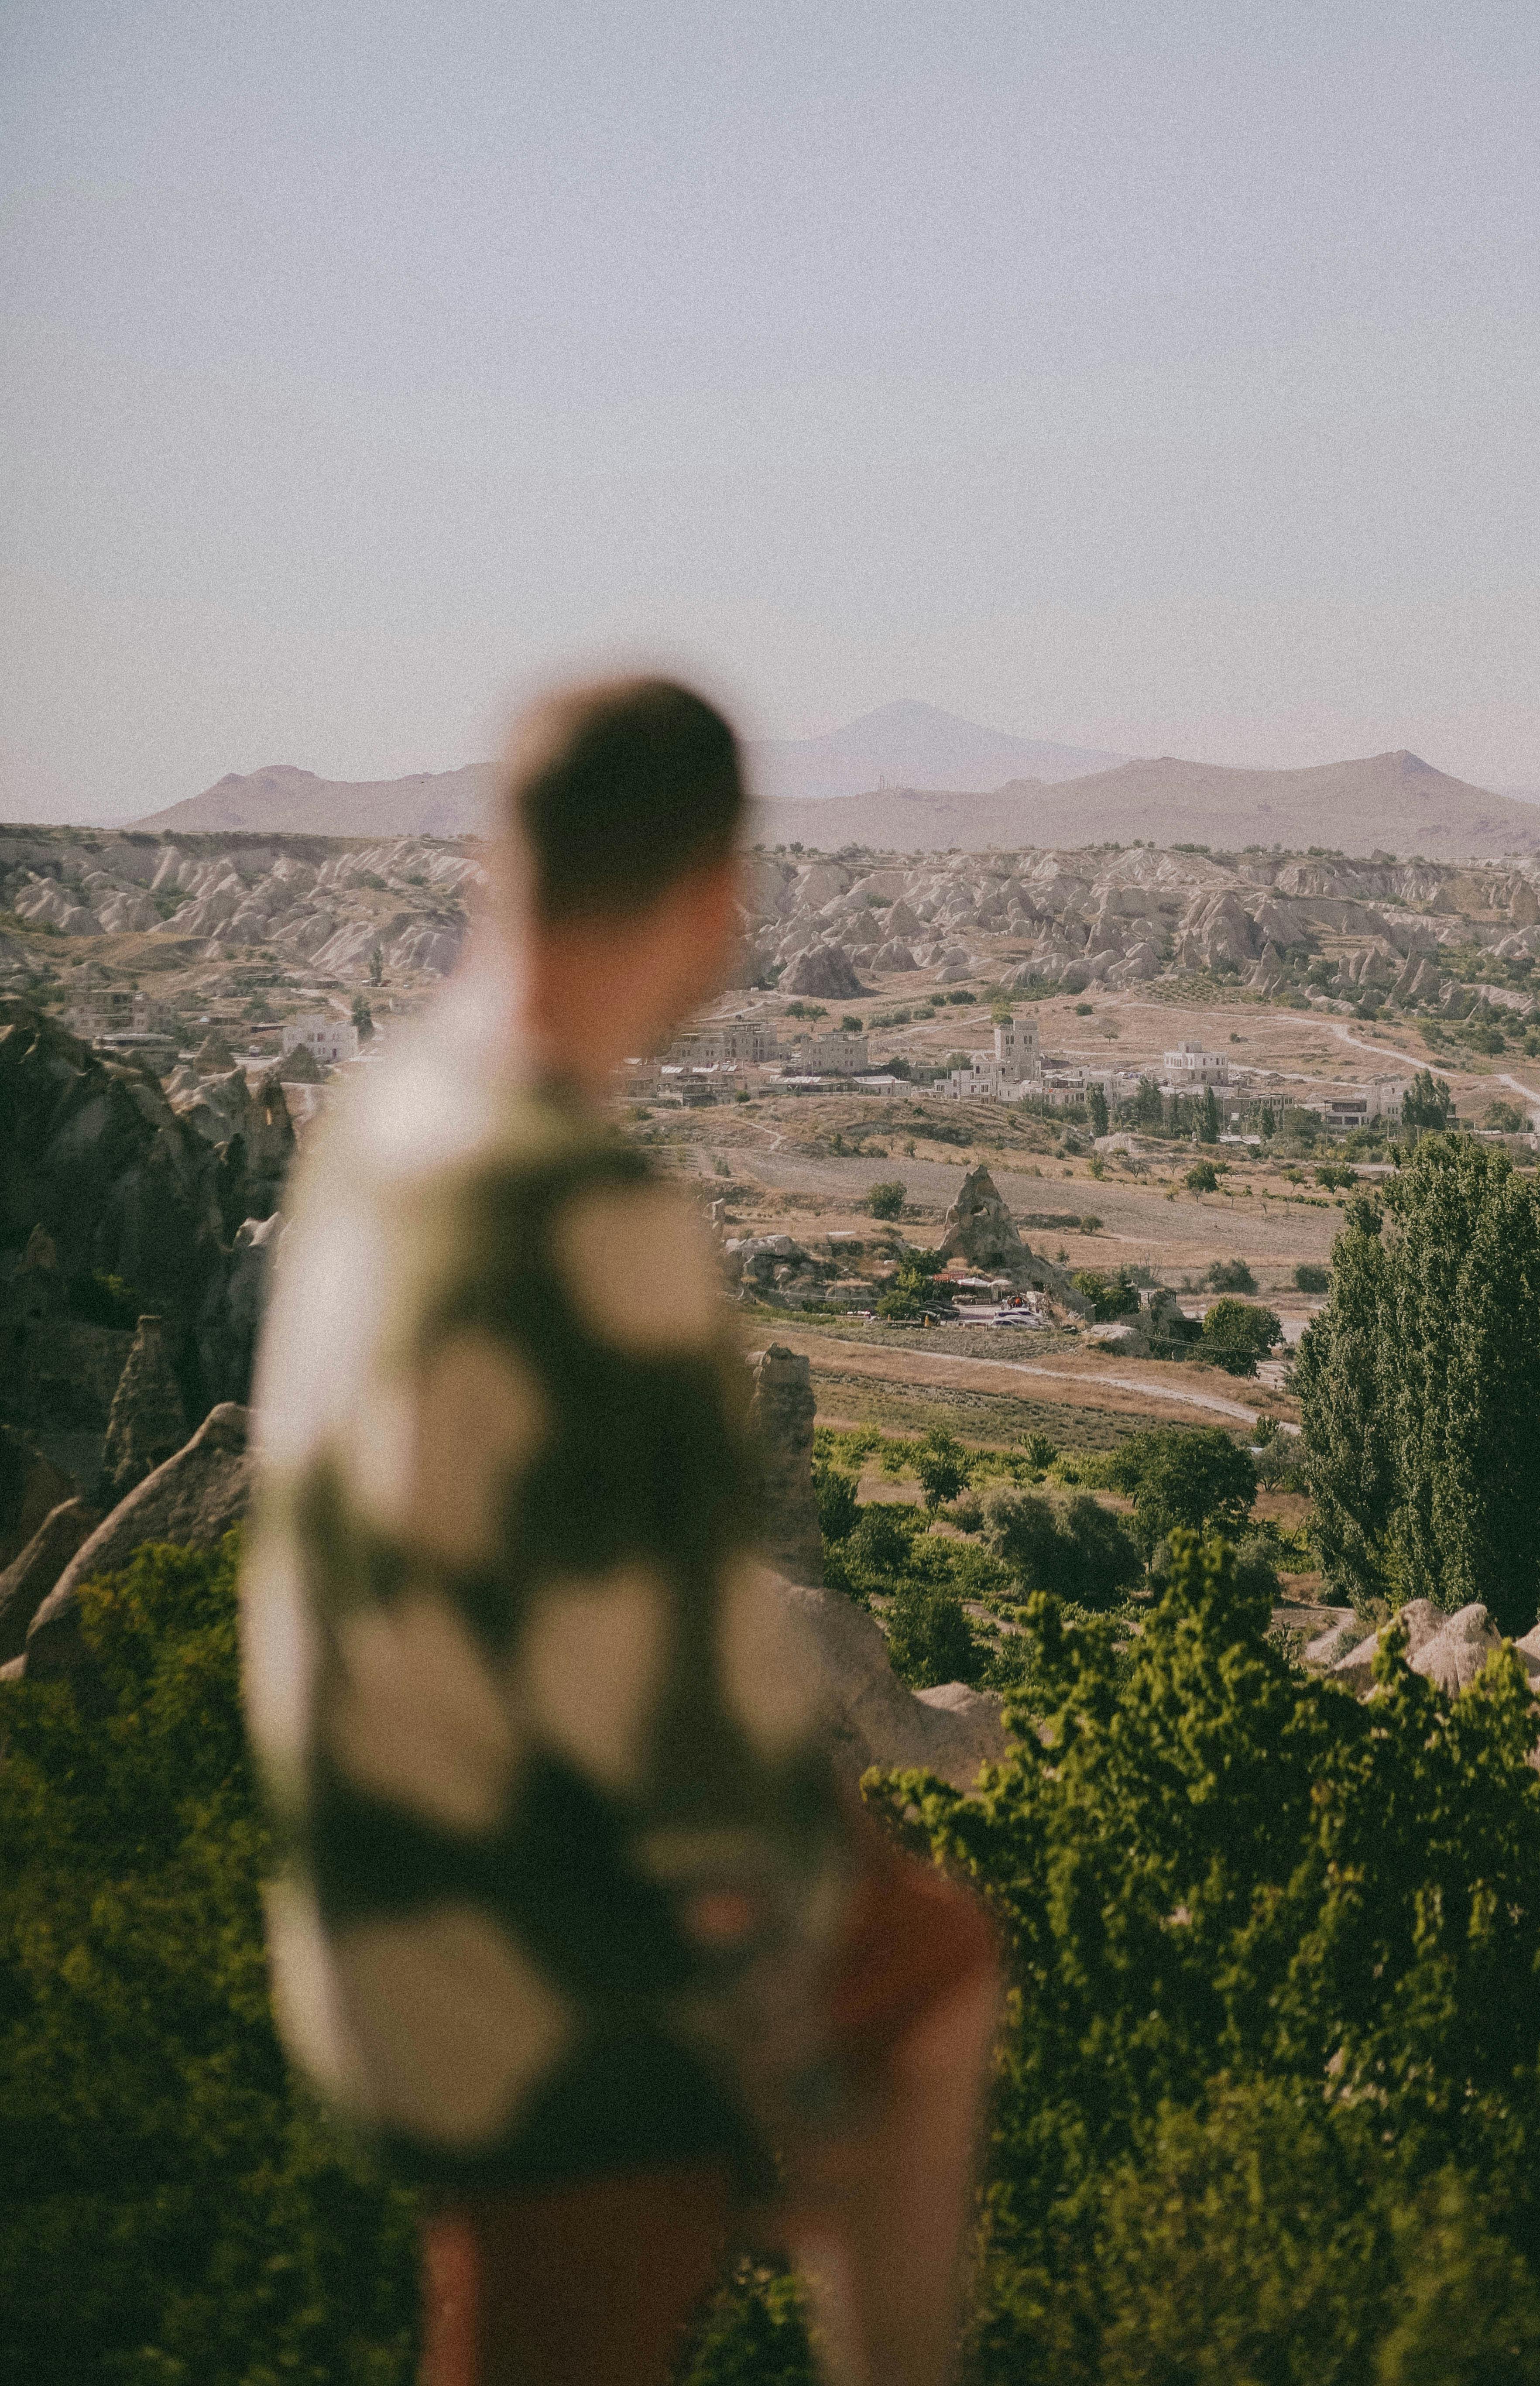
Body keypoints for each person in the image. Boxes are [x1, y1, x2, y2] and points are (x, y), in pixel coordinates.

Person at [243, 677, 1000, 2386]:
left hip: (358, 1891)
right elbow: (653, 1719)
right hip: (523, 1935)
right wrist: (780, 2041)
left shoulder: (375, 1134)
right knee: (935, 1972)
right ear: (716, 903)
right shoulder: (589, 1214)